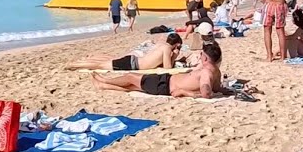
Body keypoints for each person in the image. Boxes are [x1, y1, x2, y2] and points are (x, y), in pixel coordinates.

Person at [91, 42, 222, 99]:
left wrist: (184, 92)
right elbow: (215, 88)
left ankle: (105, 80)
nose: (199, 55)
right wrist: (222, 91)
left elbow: (206, 93)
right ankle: (103, 85)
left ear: (206, 58)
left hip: (165, 85)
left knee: (131, 77)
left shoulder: (206, 72)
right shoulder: (215, 71)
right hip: (166, 82)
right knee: (133, 87)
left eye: (201, 54)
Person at [66, 33, 183, 71]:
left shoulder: (161, 44)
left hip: (134, 60)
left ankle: (82, 61)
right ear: (177, 44)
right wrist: (175, 56)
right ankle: (74, 65)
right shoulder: (167, 49)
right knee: (100, 65)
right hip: (133, 64)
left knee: (108, 61)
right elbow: (167, 68)